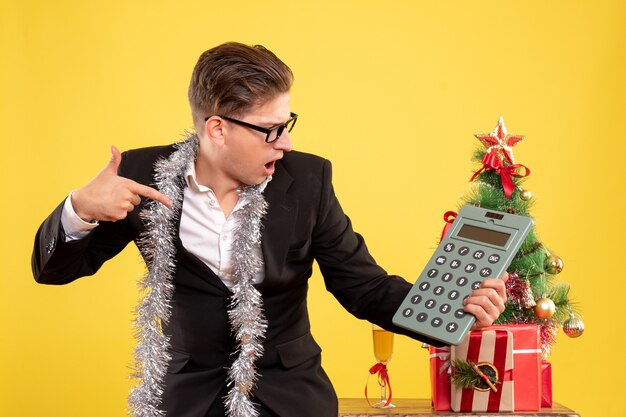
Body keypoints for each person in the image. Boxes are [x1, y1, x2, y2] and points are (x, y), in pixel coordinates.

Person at [32, 42, 508, 417]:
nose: (286, 142)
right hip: (184, 399)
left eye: (288, 123)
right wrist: (81, 208)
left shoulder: (307, 180)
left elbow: (362, 286)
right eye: (271, 129)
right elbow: (54, 271)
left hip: (289, 398)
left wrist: (452, 311)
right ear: (217, 130)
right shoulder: (144, 174)